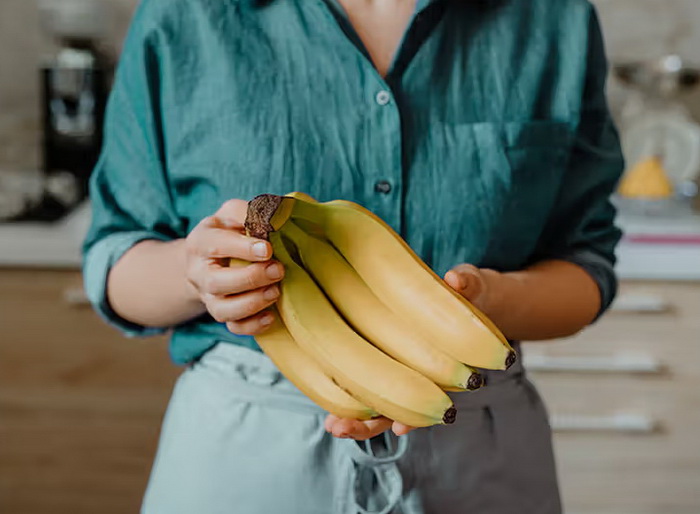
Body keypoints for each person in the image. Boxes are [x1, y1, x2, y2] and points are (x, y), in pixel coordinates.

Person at [82, 0, 624, 512]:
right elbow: (116, 258)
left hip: (475, 436)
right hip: (248, 446)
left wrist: (488, 302)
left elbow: (586, 262)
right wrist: (194, 274)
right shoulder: (186, 15)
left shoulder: (553, 18)